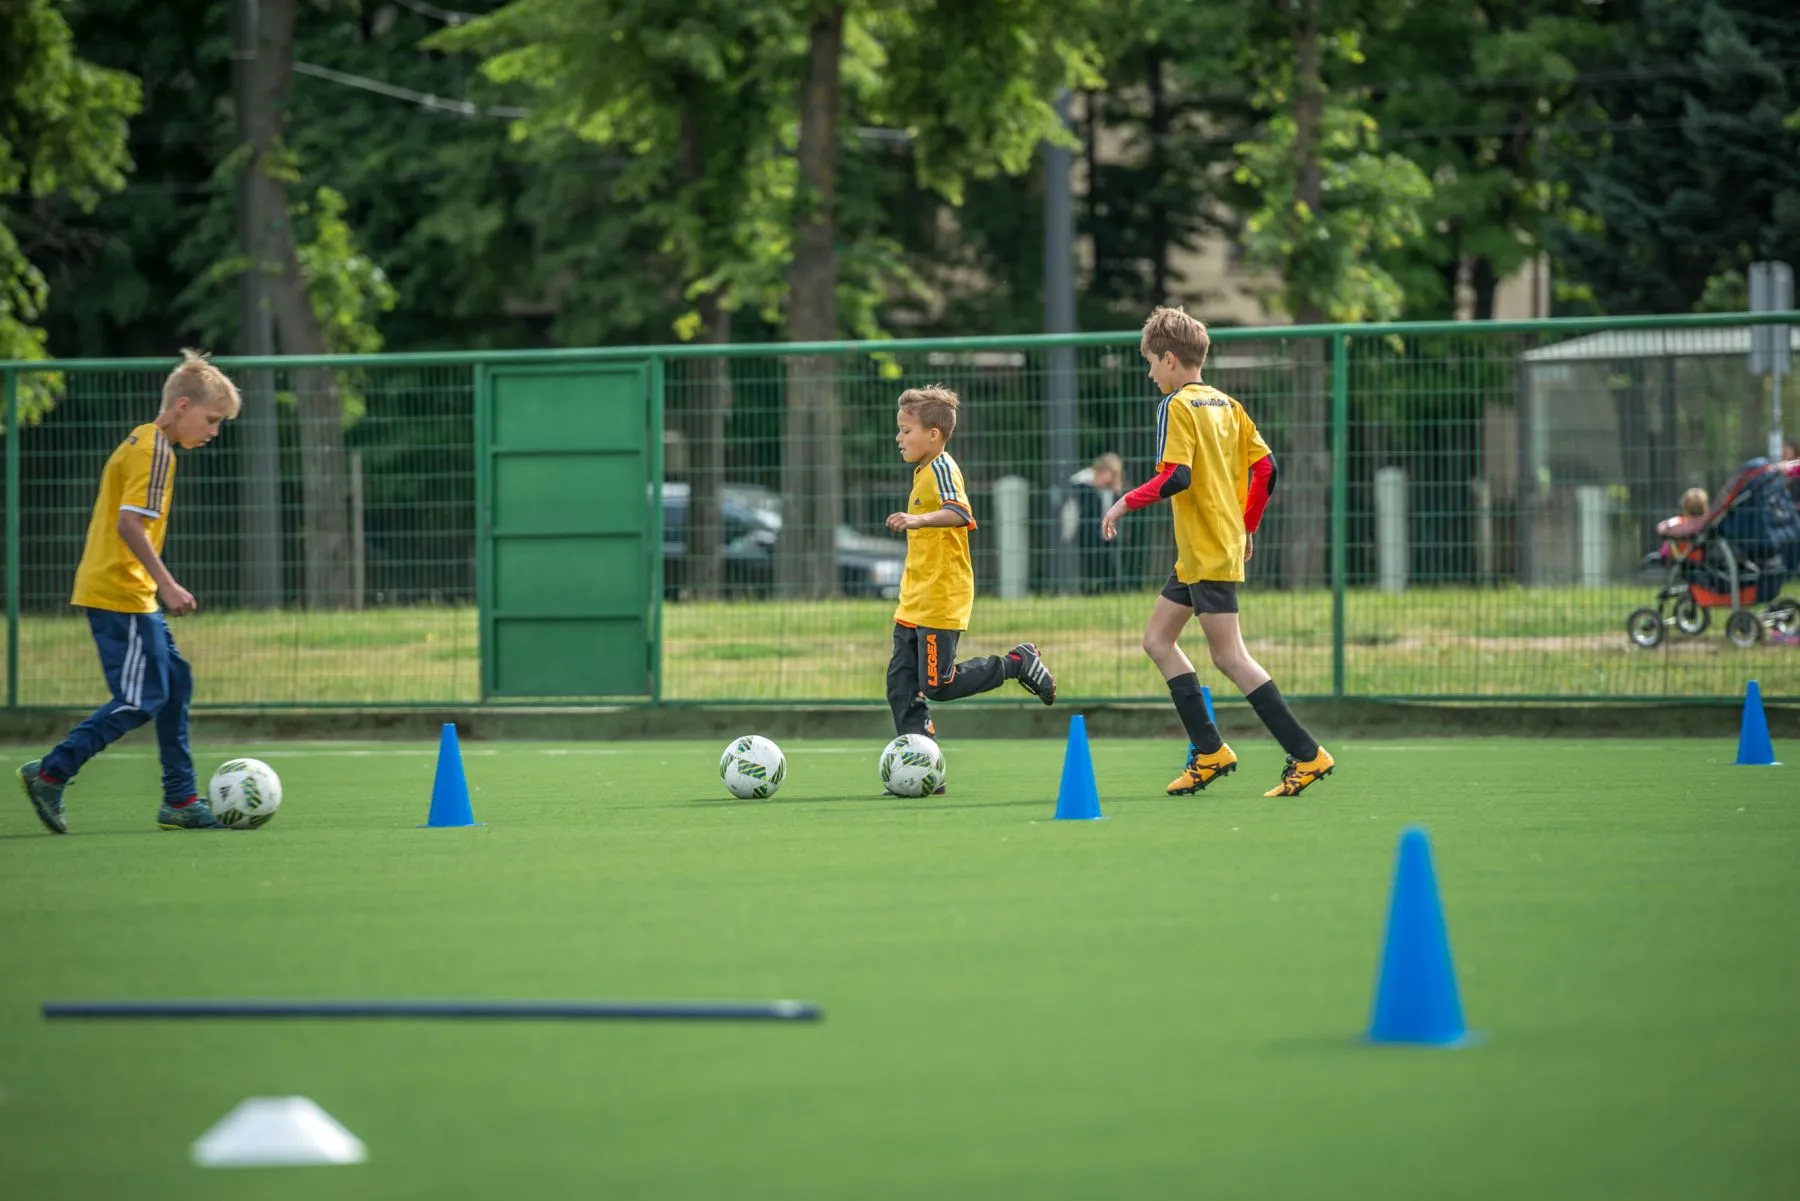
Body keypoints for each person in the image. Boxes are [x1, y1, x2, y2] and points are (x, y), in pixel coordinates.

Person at [1102, 306, 1334, 798]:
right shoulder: (1228, 405)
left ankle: (1307, 754)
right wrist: (1246, 526)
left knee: (1230, 656)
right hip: (1207, 548)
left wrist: (1125, 500)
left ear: (1168, 359)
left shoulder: (1177, 405)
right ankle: (1209, 751)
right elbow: (1267, 469)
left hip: (1206, 550)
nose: (1149, 374)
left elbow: (1176, 475)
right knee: (1157, 641)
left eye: (1149, 362)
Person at [16, 350, 242, 833]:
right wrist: (168, 584)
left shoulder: (142, 440)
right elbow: (129, 524)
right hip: (121, 593)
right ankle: (52, 771)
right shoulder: (155, 451)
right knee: (142, 698)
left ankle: (180, 800)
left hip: (128, 593)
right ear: (183, 406)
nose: (214, 431)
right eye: (212, 419)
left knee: (174, 685)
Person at [885, 386, 1055, 787]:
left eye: (906, 430)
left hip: (942, 598)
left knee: (938, 685)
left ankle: (1017, 663)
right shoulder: (923, 471)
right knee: (900, 686)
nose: (899, 437)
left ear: (934, 435)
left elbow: (960, 512)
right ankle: (923, 769)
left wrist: (919, 520)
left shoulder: (943, 467)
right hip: (914, 600)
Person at [1064, 452, 1126, 593]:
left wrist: (1115, 491)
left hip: (1099, 531)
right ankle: (1089, 588)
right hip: (1082, 530)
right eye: (1113, 474)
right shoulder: (1081, 482)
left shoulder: (1104, 487)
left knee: (1104, 556)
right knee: (1090, 558)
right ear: (1103, 470)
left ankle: (1105, 587)